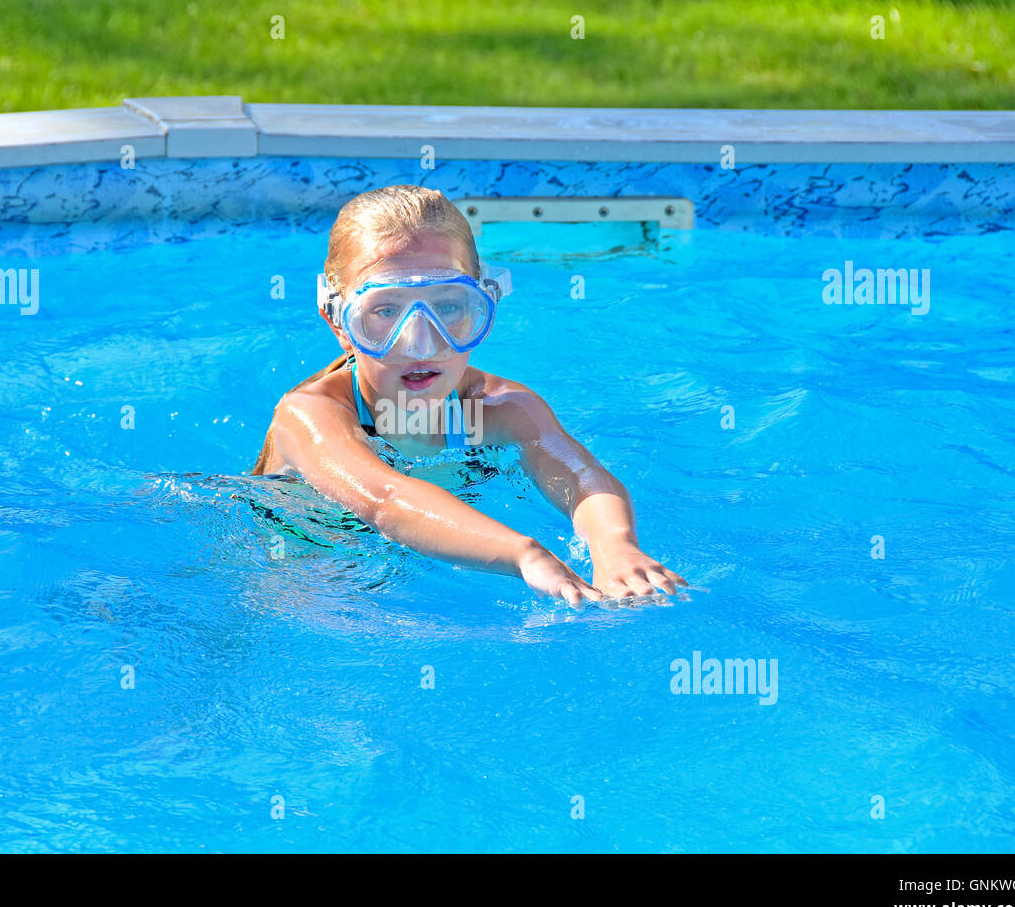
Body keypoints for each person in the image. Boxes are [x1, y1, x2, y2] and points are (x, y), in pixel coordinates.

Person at [250, 185, 687, 606]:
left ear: (482, 308)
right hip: (300, 576)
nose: (420, 342)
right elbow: (384, 499)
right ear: (339, 323)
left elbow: (580, 475)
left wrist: (615, 547)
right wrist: (524, 554)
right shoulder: (310, 415)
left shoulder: (499, 408)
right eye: (386, 311)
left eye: (448, 307)